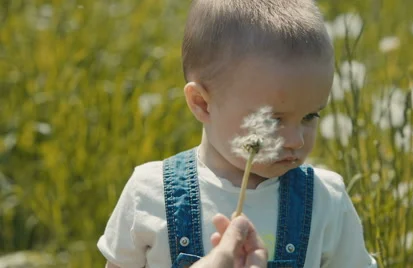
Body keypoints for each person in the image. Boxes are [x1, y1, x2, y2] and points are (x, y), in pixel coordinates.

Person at [98, 0, 377, 267]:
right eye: (272, 120)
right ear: (202, 103)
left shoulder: (325, 200)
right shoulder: (150, 193)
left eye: (310, 116)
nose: (296, 140)